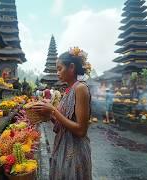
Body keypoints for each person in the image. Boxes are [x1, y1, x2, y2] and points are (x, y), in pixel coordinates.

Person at [32, 47, 92, 180]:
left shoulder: (80, 88)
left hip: (75, 150)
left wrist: (53, 110)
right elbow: (63, 122)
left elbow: (81, 130)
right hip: (62, 145)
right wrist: (48, 115)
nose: (57, 73)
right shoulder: (67, 91)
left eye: (60, 69)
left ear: (71, 67)